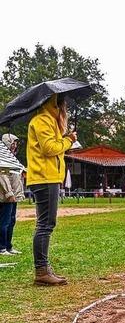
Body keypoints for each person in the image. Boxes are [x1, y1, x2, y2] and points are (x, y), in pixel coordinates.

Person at [27, 94, 77, 286]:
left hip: (48, 177)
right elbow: (49, 148)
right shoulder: (42, 121)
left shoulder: (48, 121)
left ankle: (43, 269)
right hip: (45, 177)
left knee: (45, 224)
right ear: (56, 104)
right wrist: (69, 140)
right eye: (64, 105)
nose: (65, 110)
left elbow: (51, 147)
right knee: (45, 225)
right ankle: (41, 271)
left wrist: (64, 139)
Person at [0, 134, 24, 256]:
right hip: (5, 197)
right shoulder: (3, 158)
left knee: (11, 221)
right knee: (4, 222)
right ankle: (2, 247)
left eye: (15, 143)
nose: (15, 145)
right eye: (13, 143)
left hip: (13, 196)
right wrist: (9, 193)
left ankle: (9, 246)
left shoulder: (11, 158)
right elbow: (2, 176)